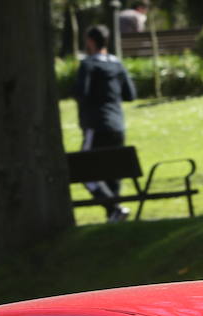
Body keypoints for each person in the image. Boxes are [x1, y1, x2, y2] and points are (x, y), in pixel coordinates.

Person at [74, 24, 137, 223]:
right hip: (117, 125)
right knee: (113, 171)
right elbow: (130, 94)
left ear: (90, 41)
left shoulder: (88, 65)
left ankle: (114, 208)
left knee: (84, 171)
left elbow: (81, 93)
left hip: (96, 125)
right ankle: (114, 214)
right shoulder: (117, 64)